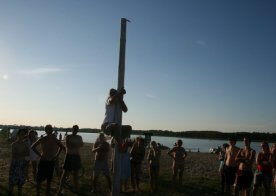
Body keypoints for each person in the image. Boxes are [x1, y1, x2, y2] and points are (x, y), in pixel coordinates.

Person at [31, 124, 65, 196]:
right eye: (48, 129)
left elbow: (62, 147)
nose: (50, 130)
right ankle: (38, 194)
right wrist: (40, 155)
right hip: (43, 161)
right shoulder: (43, 138)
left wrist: (56, 155)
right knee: (39, 179)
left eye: (51, 129)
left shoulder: (55, 139)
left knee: (49, 179)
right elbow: (33, 146)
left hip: (51, 161)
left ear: (52, 130)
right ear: (46, 130)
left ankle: (48, 193)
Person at [58, 125, 83, 195]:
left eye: (77, 129)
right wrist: (76, 145)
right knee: (65, 174)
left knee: (76, 174)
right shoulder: (68, 136)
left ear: (78, 130)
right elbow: (68, 146)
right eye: (74, 129)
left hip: (76, 156)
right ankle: (60, 190)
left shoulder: (79, 137)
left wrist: (73, 144)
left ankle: (77, 189)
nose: (75, 130)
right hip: (69, 156)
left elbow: (81, 145)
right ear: (72, 129)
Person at [8, 128, 29, 196]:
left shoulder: (26, 144)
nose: (22, 135)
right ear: (18, 134)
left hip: (23, 165)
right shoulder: (14, 144)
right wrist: (23, 155)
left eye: (23, 134)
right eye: (21, 134)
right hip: (15, 165)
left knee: (20, 183)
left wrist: (21, 155)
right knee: (12, 183)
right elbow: (14, 155)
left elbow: (27, 155)